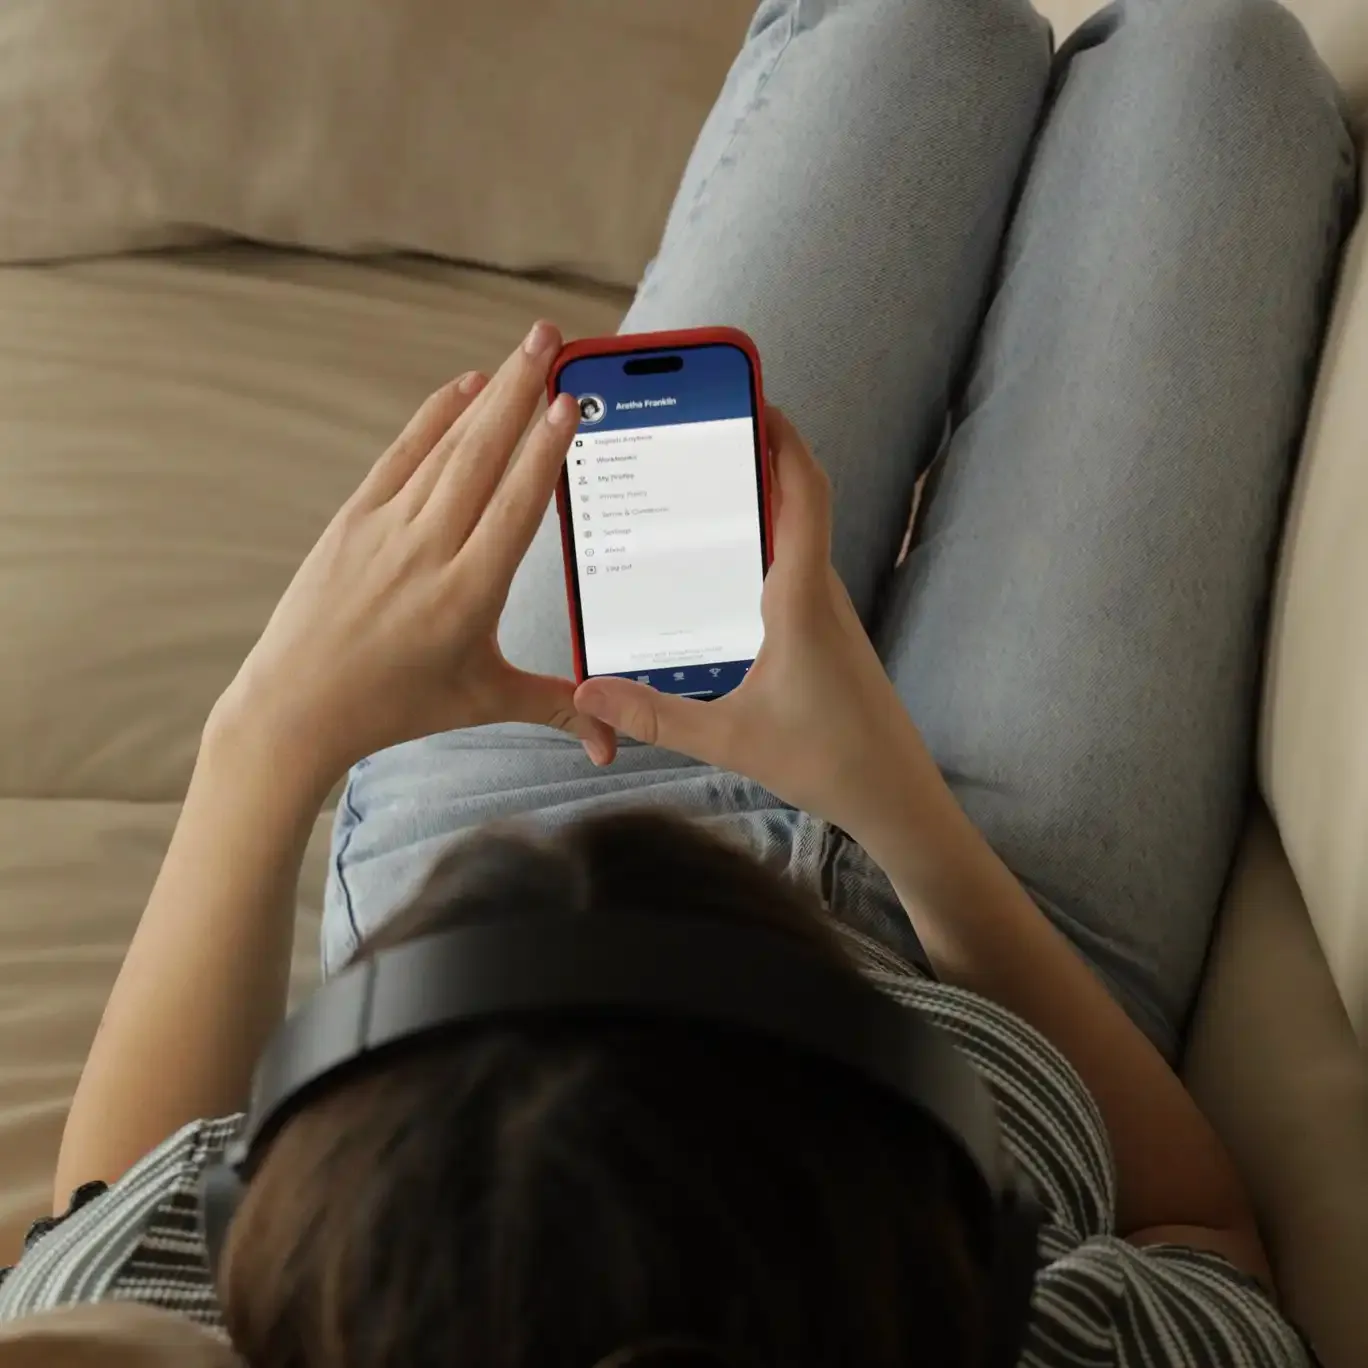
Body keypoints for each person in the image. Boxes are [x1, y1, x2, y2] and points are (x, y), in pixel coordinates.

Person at [0, 0, 1356, 1363]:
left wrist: (272, 738)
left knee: (924, 28)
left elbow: (99, 1248)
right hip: (1016, 916)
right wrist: (892, 803)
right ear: (984, 1277)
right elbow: (1199, 1235)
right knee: (1217, 54)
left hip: (544, 764)